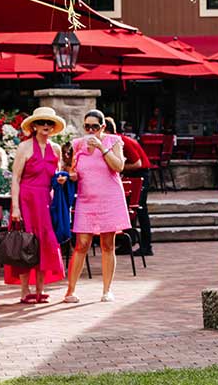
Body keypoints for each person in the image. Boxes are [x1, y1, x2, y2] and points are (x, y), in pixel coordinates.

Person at [62, 110, 131, 303]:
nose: (90, 130)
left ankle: (107, 290)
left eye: (94, 126)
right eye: (87, 126)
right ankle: (70, 291)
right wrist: (70, 175)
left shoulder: (113, 141)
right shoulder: (78, 144)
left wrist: (102, 148)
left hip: (109, 198)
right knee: (81, 244)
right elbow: (75, 170)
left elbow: (118, 167)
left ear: (102, 127)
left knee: (107, 245)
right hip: (86, 199)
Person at [6, 107, 67, 304]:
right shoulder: (24, 147)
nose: (46, 126)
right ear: (34, 126)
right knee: (26, 243)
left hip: (46, 201)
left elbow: (56, 176)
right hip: (26, 199)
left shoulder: (56, 149)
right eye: (42, 123)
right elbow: (15, 178)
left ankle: (40, 290)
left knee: (45, 244)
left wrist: (61, 182)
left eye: (50, 123)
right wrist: (15, 207)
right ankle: (25, 291)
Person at [103, 115, 154, 257]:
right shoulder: (110, 143)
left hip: (140, 175)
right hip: (130, 176)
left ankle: (146, 245)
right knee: (124, 209)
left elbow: (137, 163)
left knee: (140, 209)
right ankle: (127, 243)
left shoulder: (121, 141)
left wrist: (118, 168)